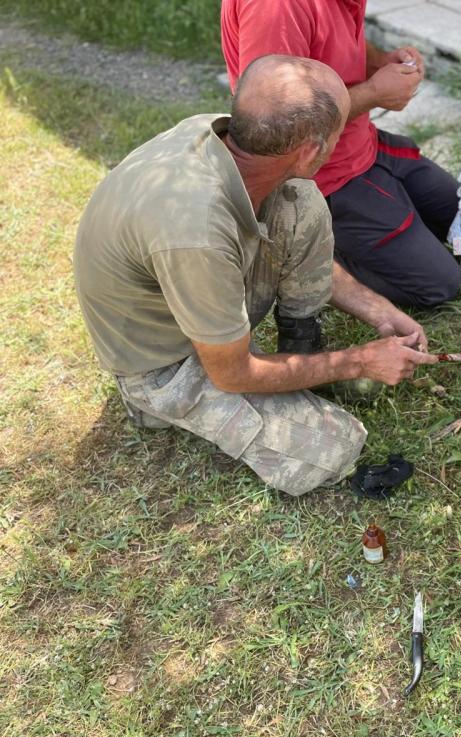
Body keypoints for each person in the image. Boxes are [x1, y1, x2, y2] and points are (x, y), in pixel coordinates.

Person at [74, 55, 437, 497]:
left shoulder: (224, 137)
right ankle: (152, 405)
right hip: (163, 362)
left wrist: (378, 309)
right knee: (337, 447)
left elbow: (283, 227)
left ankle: (301, 346)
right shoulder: (195, 229)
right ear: (309, 151)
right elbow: (232, 373)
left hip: (195, 300)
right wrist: (358, 360)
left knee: (300, 200)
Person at [221, 0, 461, 309]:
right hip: (321, 174)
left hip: (363, 143)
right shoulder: (276, 8)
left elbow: (337, 38)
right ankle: (301, 251)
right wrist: (375, 93)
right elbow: (277, 123)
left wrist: (378, 62)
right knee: (440, 285)